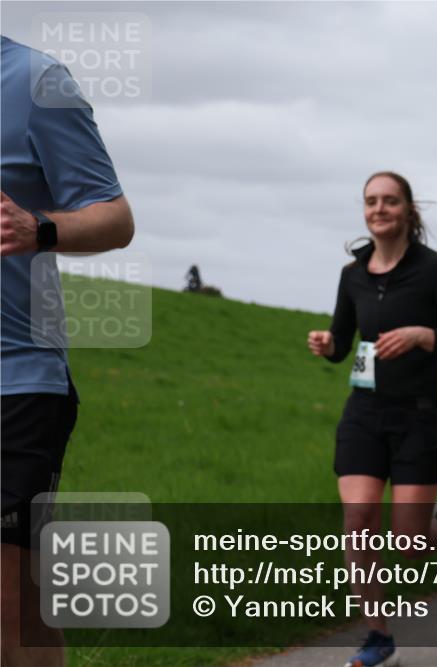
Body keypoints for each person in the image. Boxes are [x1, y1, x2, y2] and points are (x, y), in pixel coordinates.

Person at [307, 172, 437, 667]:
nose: (379, 209)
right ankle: (378, 636)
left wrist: (426, 336)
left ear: (409, 210)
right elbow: (343, 343)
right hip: (364, 412)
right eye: (371, 202)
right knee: (358, 520)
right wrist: (327, 344)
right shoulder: (352, 274)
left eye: (389, 201)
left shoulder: (434, 270)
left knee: (408, 542)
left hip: (419, 416)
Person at [1, 36, 134, 667]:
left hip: (18, 382)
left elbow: (114, 217)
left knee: (10, 609)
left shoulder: (37, 82)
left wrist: (40, 228)